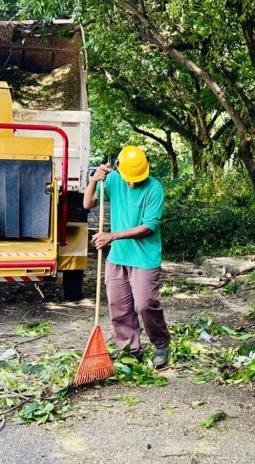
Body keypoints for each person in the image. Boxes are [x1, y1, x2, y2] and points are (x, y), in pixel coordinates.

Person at [84, 146, 172, 368]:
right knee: (119, 306)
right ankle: (131, 349)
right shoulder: (113, 179)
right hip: (118, 258)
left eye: (136, 179)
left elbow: (149, 226)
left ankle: (161, 343)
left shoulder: (154, 189)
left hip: (144, 258)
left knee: (145, 304)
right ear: (119, 170)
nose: (131, 183)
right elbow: (87, 204)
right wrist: (94, 180)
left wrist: (111, 236)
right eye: (128, 178)